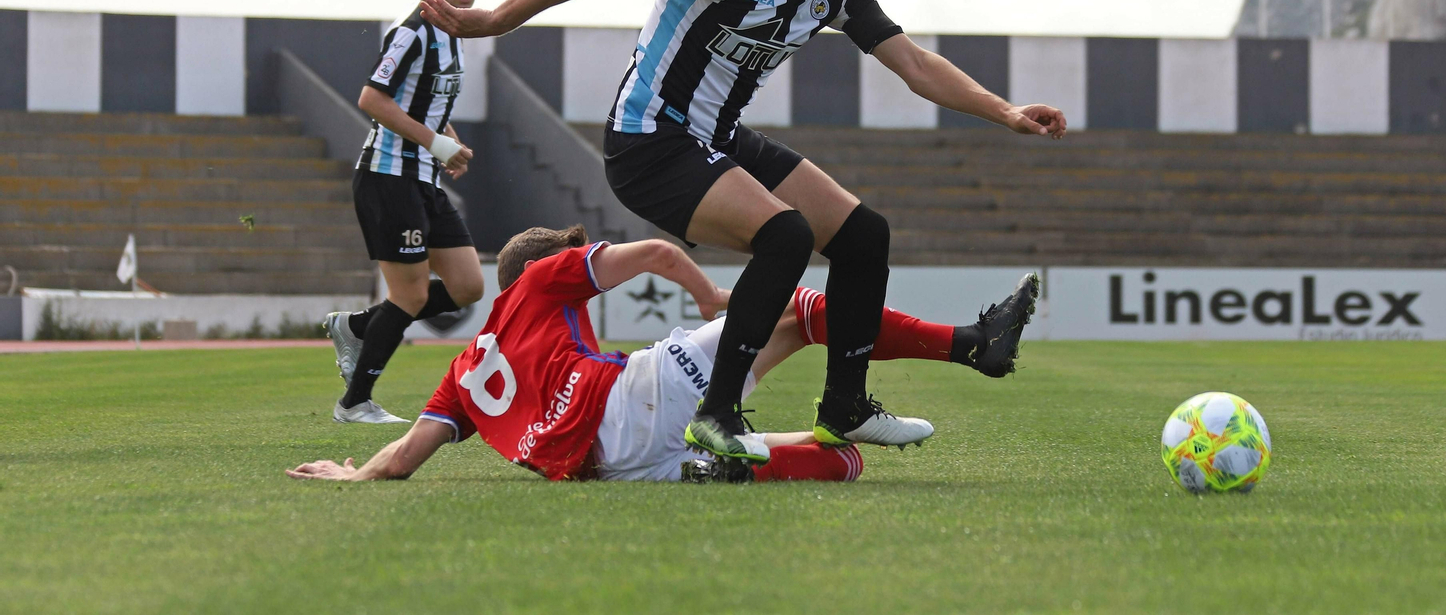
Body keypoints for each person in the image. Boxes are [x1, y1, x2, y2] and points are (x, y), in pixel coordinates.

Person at [419, 0, 1065, 463]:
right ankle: (717, 412)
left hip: (717, 138)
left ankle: (845, 404)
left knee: (865, 236)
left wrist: (1005, 112)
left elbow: (915, 64)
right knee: (786, 236)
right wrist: (495, 19)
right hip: (650, 142)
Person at [287, 225, 1039, 484]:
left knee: (841, 462)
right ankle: (973, 345)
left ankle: (802, 441)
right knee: (803, 308)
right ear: (545, 269)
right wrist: (714, 300)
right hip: (630, 398)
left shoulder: (460, 373)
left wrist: (351, 475)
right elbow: (651, 251)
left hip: (610, 465)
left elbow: (404, 457)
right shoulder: (535, 284)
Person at [323, 0, 488, 424]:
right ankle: (355, 403)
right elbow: (372, 99)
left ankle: (356, 326)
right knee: (411, 295)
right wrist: (437, 145)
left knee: (467, 286)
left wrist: (448, 141)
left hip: (423, 179)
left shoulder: (454, 34)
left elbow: (426, 105)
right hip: (387, 177)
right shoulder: (412, 30)